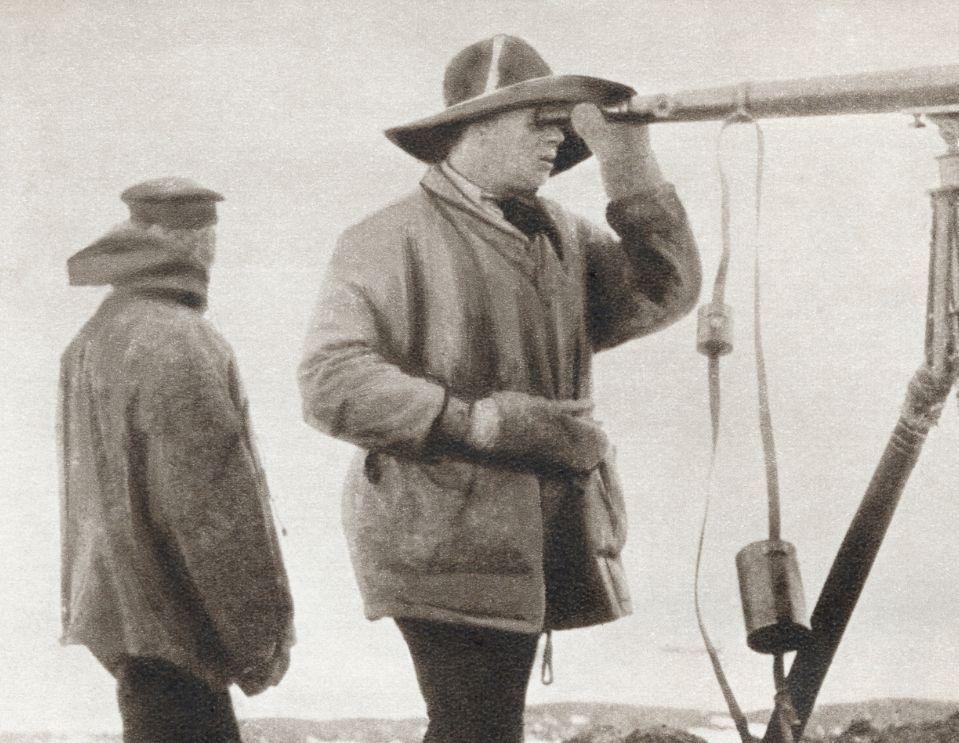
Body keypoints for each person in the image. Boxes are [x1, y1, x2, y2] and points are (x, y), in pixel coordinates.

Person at [298, 34, 701, 743]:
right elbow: (331, 382)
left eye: (561, 123)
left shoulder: (563, 237)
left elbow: (664, 291)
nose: (556, 138)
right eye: (537, 121)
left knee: (481, 725)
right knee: (475, 723)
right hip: (438, 539)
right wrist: (484, 424)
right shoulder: (385, 238)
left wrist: (628, 164)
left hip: (527, 540)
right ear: (475, 125)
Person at [59, 177, 294, 742]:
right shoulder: (178, 339)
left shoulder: (92, 338)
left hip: (125, 627)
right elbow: (212, 506)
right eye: (208, 231)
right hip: (182, 631)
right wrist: (261, 638)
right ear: (198, 240)